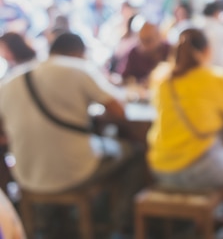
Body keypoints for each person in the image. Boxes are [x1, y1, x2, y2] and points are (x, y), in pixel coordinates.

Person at [0, 33, 142, 234]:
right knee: (133, 153)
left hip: (27, 175)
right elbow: (119, 110)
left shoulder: (9, 82)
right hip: (75, 171)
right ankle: (118, 225)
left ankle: (49, 222)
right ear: (78, 52)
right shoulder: (78, 68)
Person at [148, 29, 223, 239]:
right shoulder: (215, 78)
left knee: (216, 155)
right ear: (207, 50)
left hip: (161, 168)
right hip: (200, 169)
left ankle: (206, 223)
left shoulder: (162, 78)